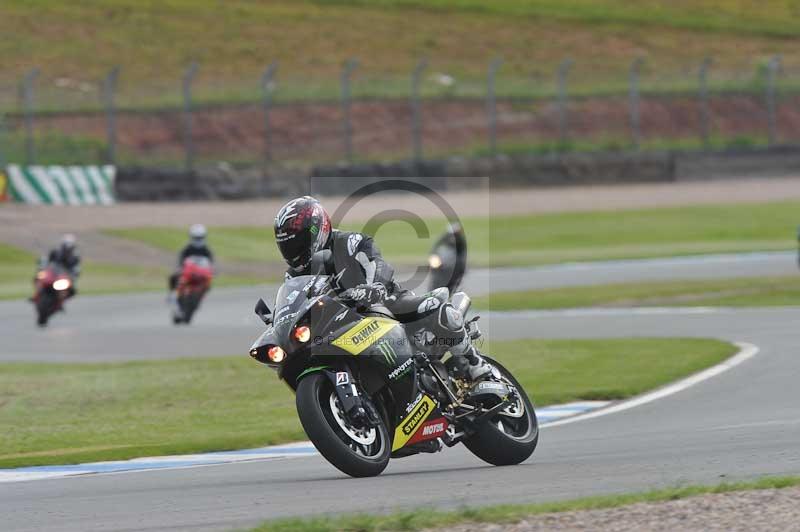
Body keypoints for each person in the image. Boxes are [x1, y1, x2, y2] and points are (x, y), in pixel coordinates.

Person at [273, 196, 491, 381]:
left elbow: (378, 263)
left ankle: (474, 363)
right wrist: (278, 322)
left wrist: (374, 285)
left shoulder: (349, 241)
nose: (293, 252)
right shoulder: (293, 275)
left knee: (439, 307)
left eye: (298, 244)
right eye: (287, 246)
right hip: (340, 326)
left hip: (387, 304)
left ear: (317, 229)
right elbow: (292, 302)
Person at [168, 224, 214, 301]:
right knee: (174, 277)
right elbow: (180, 260)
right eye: (196, 238)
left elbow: (211, 263)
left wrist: (212, 271)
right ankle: (173, 294)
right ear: (191, 237)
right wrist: (180, 269)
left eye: (200, 238)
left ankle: (201, 294)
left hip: (201, 274)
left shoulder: (207, 250)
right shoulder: (187, 249)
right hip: (189, 273)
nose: (198, 240)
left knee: (209, 282)